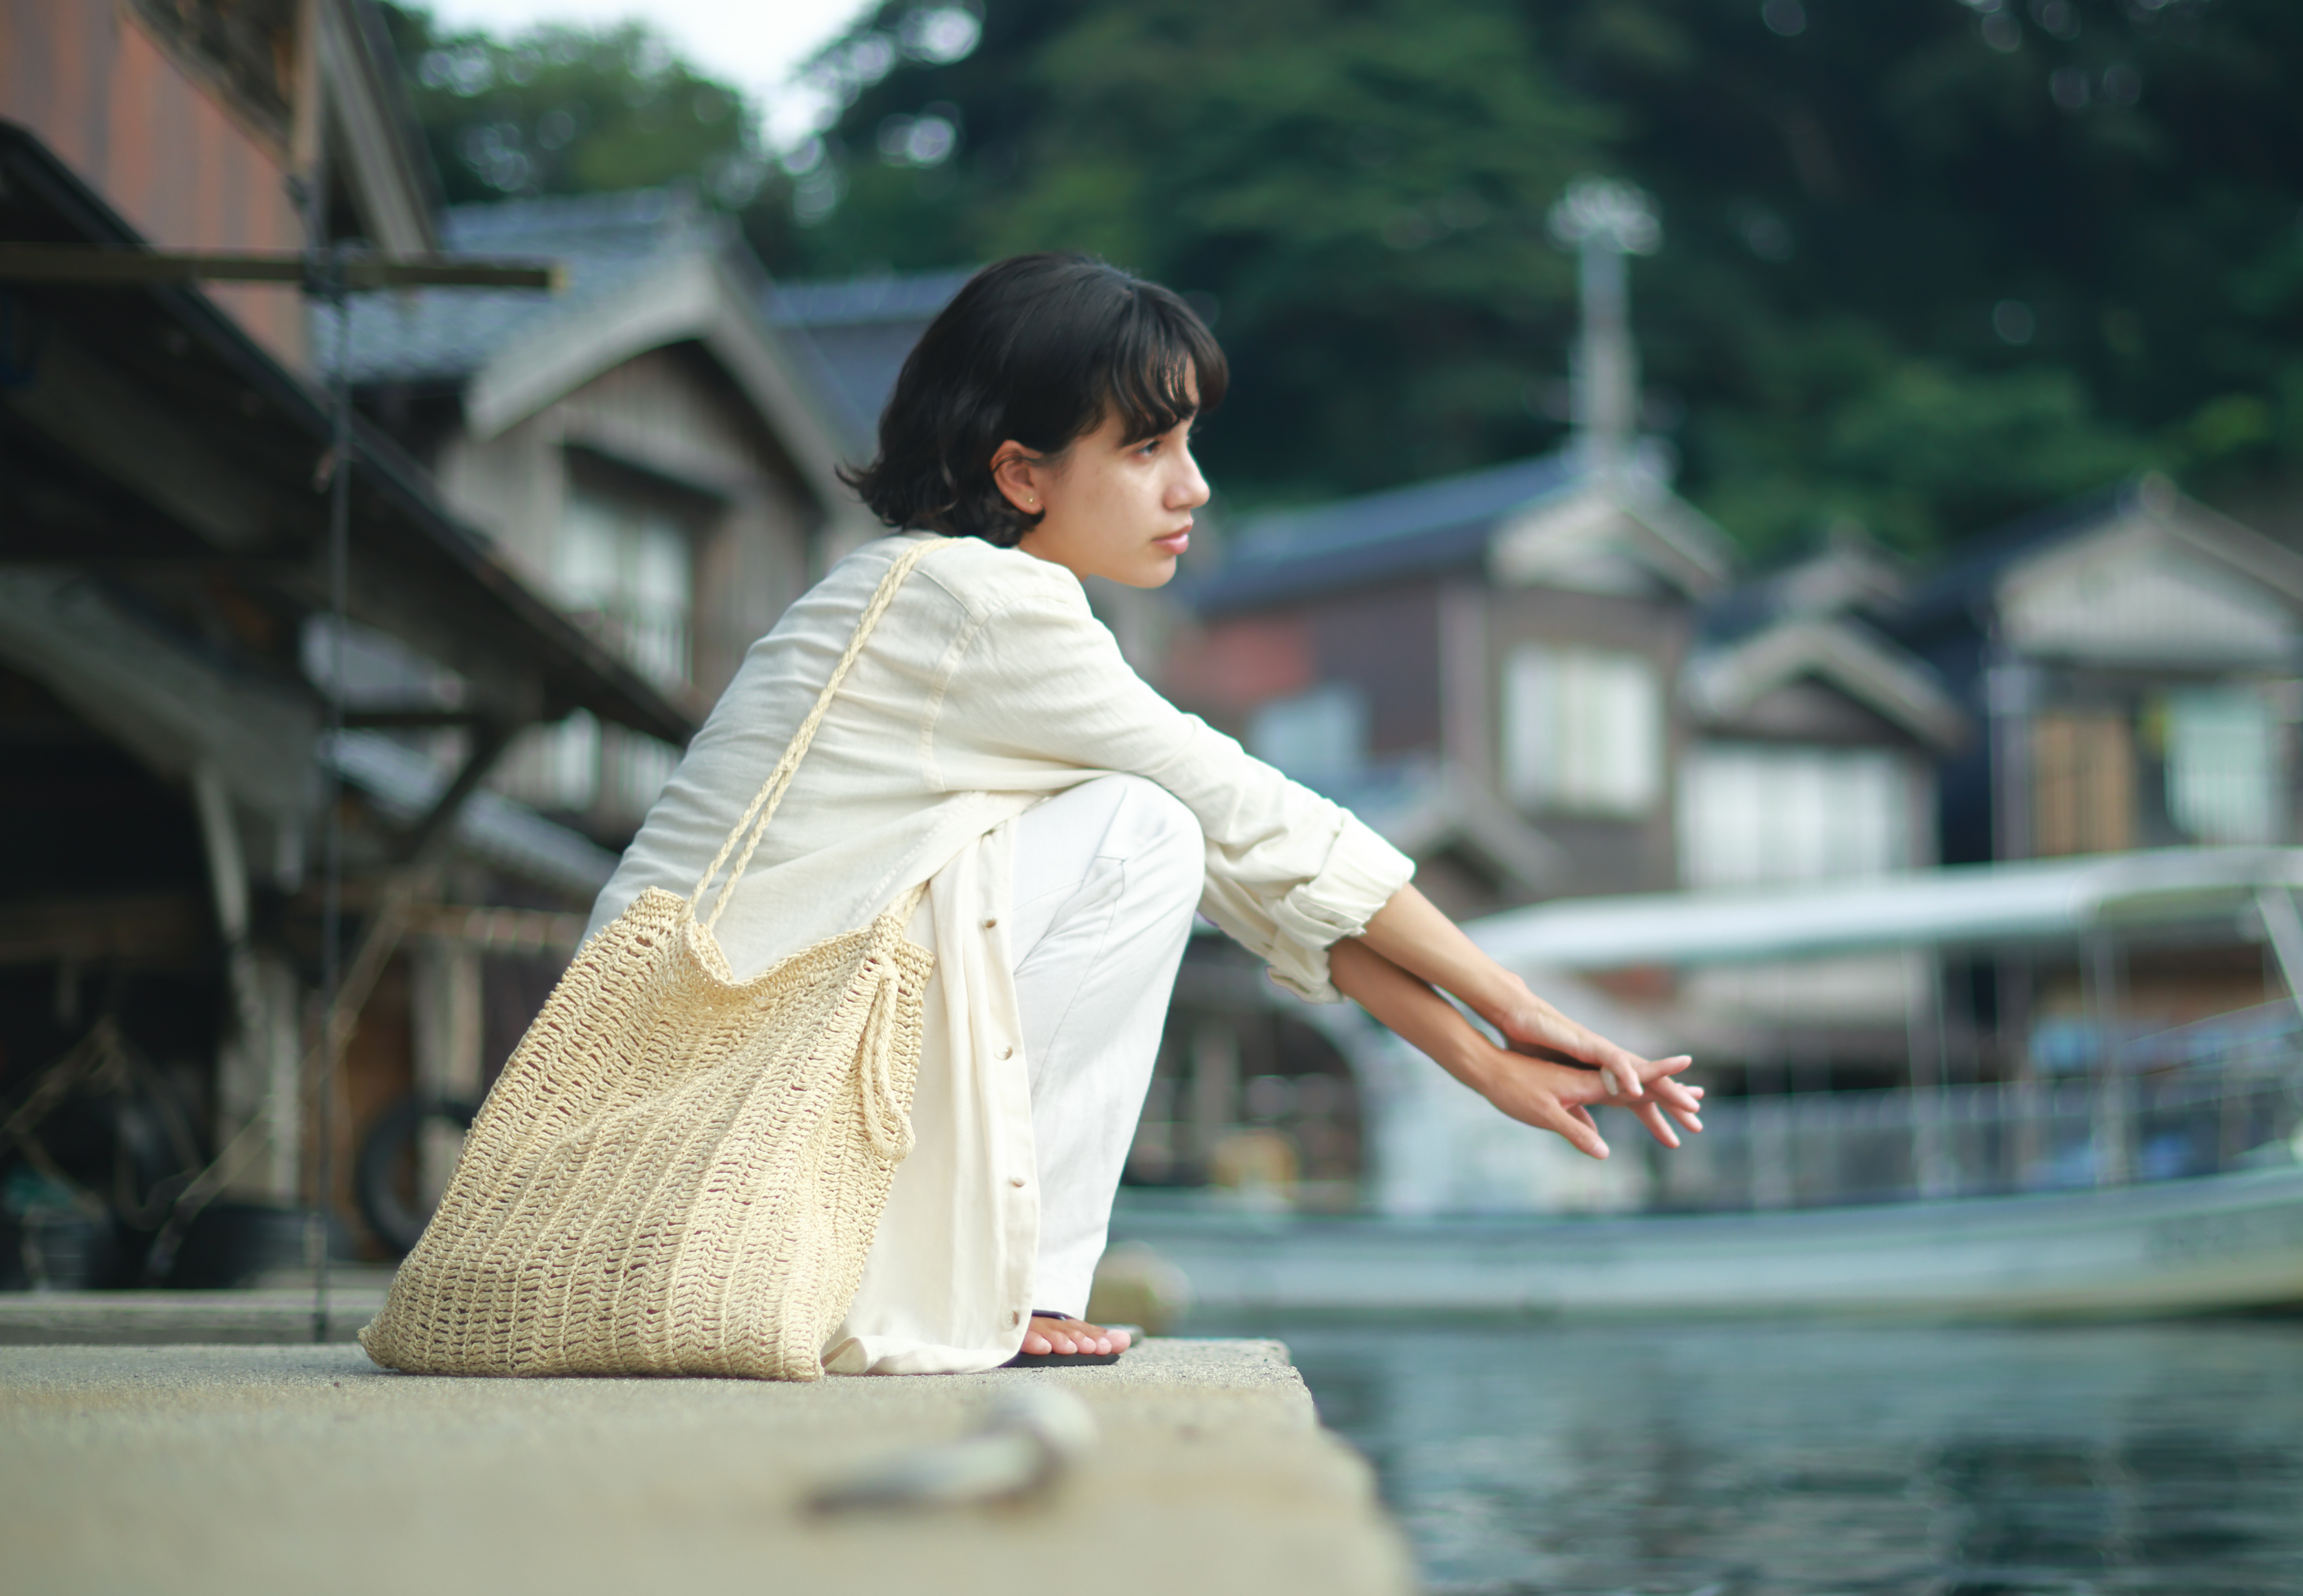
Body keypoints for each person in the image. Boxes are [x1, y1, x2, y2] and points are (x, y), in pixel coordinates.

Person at [586, 253, 1702, 1373]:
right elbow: (1246, 817)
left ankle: (965, 1281)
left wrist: (1485, 1057)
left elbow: (1257, 871)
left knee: (1150, 825)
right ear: (1021, 475)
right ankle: (1012, 1293)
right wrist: (1513, 1007)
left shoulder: (917, 587)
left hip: (666, 1104)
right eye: (1145, 448)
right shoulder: (981, 602)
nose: (1192, 486)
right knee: (1144, 828)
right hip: (714, 1099)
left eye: (1186, 444)